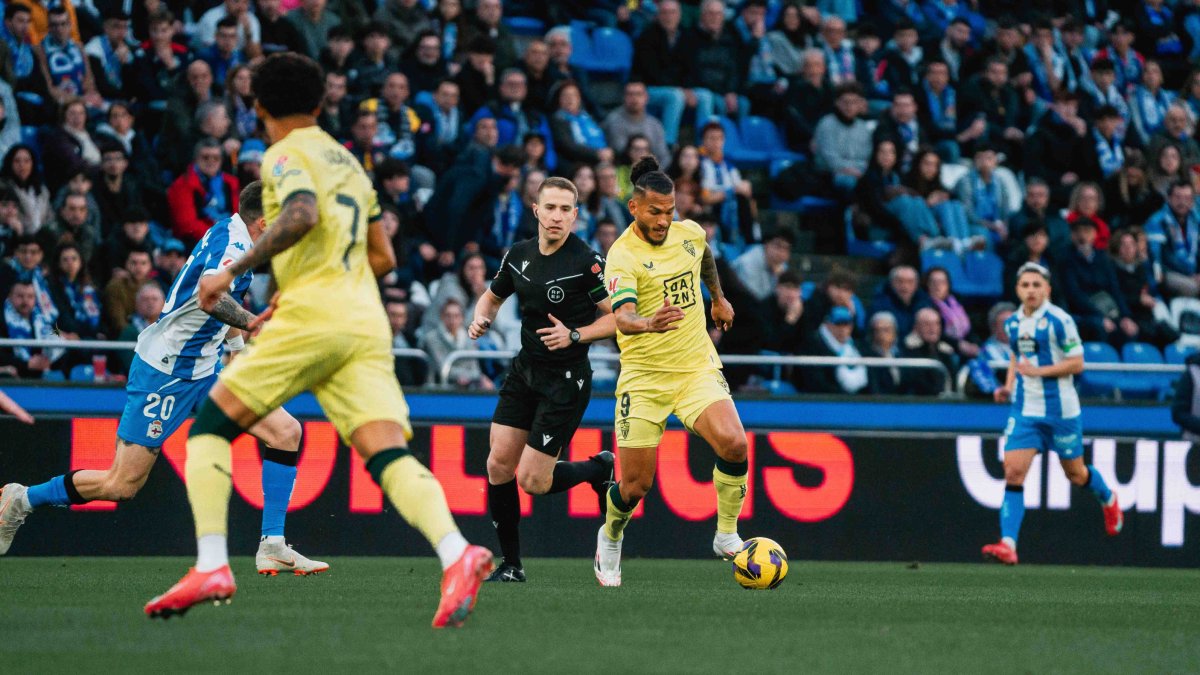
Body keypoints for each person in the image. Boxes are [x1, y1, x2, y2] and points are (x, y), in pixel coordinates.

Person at [143, 54, 491, 626]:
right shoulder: (350, 164)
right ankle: (457, 553)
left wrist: (232, 273)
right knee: (386, 451)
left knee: (209, 429)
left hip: (316, 317)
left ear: (257, 108)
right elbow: (383, 256)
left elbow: (301, 214)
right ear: (322, 104)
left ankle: (211, 563)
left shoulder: (284, 155)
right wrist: (320, 278)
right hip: (366, 322)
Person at [0, 183, 325, 573]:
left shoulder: (236, 236)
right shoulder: (234, 247)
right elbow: (211, 297)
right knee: (121, 484)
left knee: (286, 432)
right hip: (166, 371)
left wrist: (238, 352)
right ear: (265, 221)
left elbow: (226, 297)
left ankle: (272, 543)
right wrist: (253, 325)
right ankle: (22, 498)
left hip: (205, 369)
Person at [596, 156, 747, 586]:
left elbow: (704, 257)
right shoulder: (622, 256)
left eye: (670, 211)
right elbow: (622, 317)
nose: (664, 221)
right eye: (654, 212)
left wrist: (717, 297)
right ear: (634, 208)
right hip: (644, 380)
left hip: (694, 367)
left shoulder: (690, 233)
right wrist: (648, 322)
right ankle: (611, 533)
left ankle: (726, 535)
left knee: (735, 444)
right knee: (635, 487)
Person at [468, 176, 617, 583]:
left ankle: (597, 469)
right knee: (498, 463)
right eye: (549, 208)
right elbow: (493, 296)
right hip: (525, 370)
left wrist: (574, 335)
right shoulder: (518, 254)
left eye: (565, 209)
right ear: (536, 211)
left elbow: (618, 319)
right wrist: (483, 317)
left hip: (565, 381)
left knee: (533, 482)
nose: (557, 216)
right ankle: (512, 565)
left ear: (576, 216)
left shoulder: (586, 262)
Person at [982, 262, 1123, 566]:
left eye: (1036, 285)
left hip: (1061, 410)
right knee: (1013, 472)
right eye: (1025, 285)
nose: (1031, 290)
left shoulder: (1060, 320)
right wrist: (1008, 386)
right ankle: (1008, 544)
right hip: (1025, 409)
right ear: (1017, 289)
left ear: (1046, 288)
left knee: (1075, 473)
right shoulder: (1013, 323)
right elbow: (1016, 357)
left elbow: (1077, 363)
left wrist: (1039, 371)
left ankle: (1108, 498)